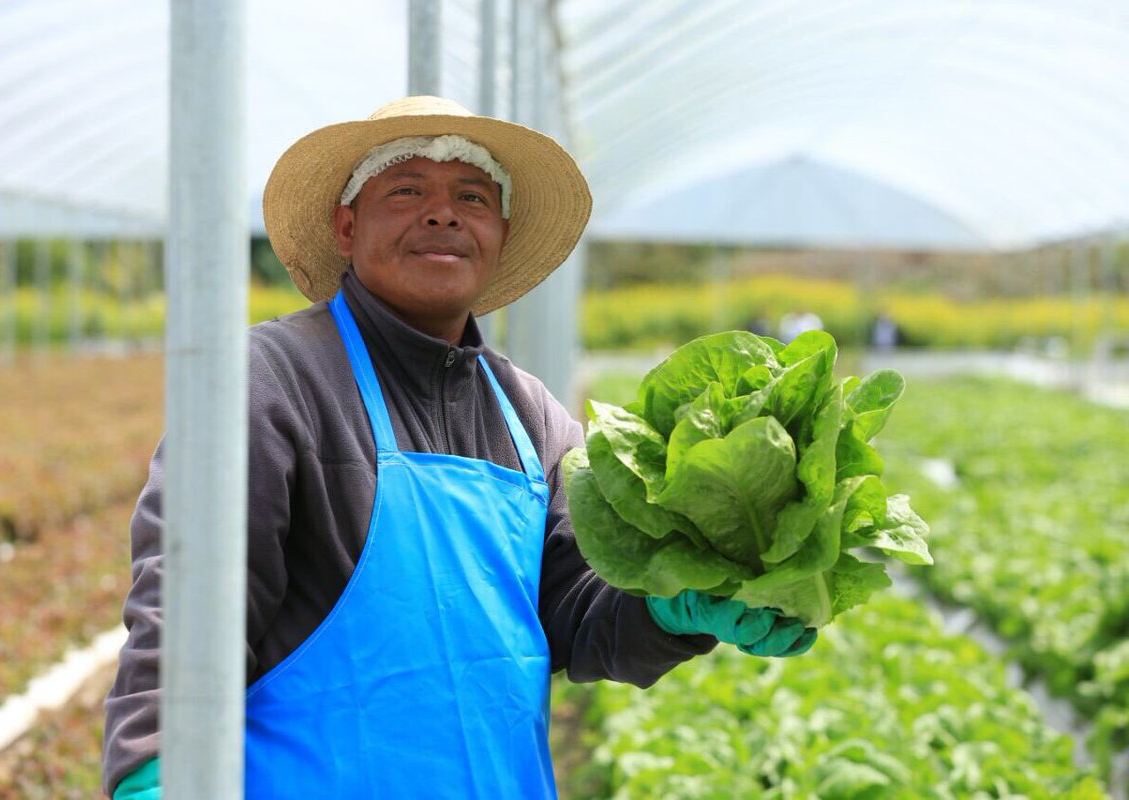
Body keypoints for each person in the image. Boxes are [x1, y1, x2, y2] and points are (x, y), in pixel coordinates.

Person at [102, 96, 816, 800]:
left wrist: (674, 609)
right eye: (407, 190)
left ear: (499, 235)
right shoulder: (270, 381)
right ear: (346, 226)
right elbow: (188, 606)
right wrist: (157, 773)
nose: (443, 213)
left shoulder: (530, 416)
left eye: (472, 197)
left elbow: (578, 612)